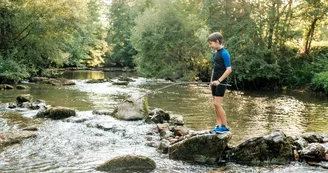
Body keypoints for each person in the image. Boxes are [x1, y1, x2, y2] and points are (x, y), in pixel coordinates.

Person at [207, 32, 232, 133]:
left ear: (217, 42)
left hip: (221, 82)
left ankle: (224, 126)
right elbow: (214, 69)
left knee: (218, 104)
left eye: (211, 43)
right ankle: (218, 125)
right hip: (214, 82)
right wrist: (211, 81)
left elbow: (229, 70)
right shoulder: (215, 53)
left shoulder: (225, 53)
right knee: (214, 104)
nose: (210, 45)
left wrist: (218, 81)